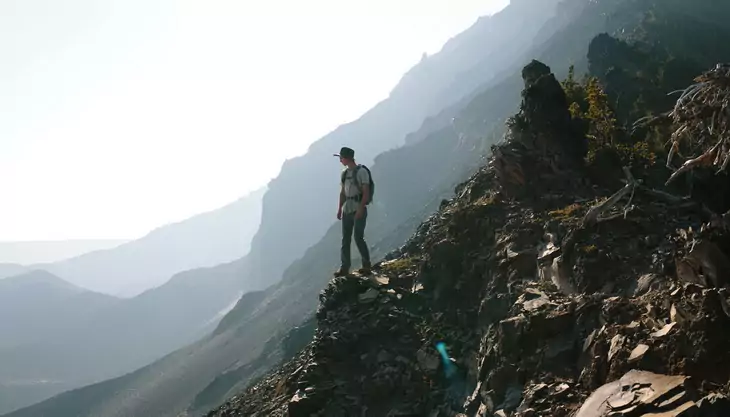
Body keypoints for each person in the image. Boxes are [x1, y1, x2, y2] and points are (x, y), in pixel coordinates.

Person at [333, 146, 371, 276]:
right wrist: (339, 208)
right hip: (347, 209)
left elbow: (366, 192)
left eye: (341, 158)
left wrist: (361, 209)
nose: (340, 161)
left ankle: (366, 265)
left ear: (347, 158)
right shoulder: (344, 174)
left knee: (358, 237)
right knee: (345, 239)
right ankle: (344, 267)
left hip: (357, 208)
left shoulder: (361, 172)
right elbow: (343, 192)